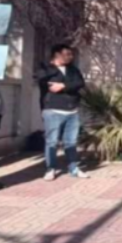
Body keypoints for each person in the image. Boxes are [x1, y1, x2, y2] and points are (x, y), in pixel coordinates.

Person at [36, 44, 88, 181]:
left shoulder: (73, 70)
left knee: (71, 141)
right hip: (53, 109)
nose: (70, 57)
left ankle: (73, 168)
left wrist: (64, 86)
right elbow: (46, 83)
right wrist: (57, 74)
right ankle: (50, 168)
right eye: (67, 54)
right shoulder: (45, 69)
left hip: (72, 110)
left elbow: (80, 83)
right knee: (51, 141)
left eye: (71, 54)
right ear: (57, 55)